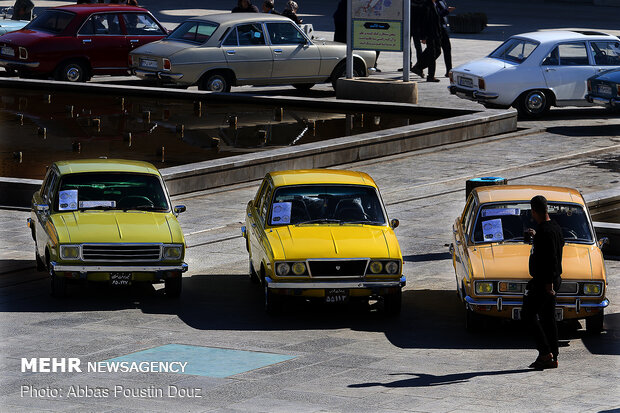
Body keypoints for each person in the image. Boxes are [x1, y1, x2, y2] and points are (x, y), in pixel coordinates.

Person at [522, 195, 564, 370]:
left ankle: (545, 352)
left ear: (534, 211)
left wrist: (548, 286)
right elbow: (556, 247)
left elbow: (551, 259)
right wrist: (536, 234)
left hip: (545, 282)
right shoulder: (554, 228)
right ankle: (553, 355)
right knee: (548, 317)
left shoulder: (544, 233)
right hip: (553, 279)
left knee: (528, 314)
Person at [410, 0, 442, 82]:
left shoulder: (433, 4)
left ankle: (418, 67)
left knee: (437, 51)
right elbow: (423, 22)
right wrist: (423, 36)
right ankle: (430, 76)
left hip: (435, 33)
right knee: (432, 54)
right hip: (429, 33)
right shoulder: (425, 5)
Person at [435, 0, 454, 77]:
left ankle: (449, 70)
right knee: (435, 51)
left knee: (447, 49)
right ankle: (420, 66)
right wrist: (447, 10)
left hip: (443, 28)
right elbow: (437, 15)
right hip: (437, 29)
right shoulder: (433, 3)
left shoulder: (442, 1)